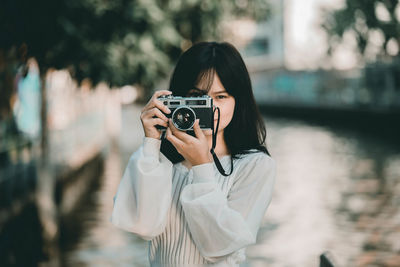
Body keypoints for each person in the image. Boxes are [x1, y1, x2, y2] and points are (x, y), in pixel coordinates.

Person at [111, 41, 276, 267]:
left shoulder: (255, 166)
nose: (210, 108)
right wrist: (150, 143)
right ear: (177, 99)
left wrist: (202, 167)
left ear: (239, 101)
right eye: (197, 97)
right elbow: (143, 227)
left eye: (221, 97)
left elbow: (220, 247)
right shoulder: (158, 161)